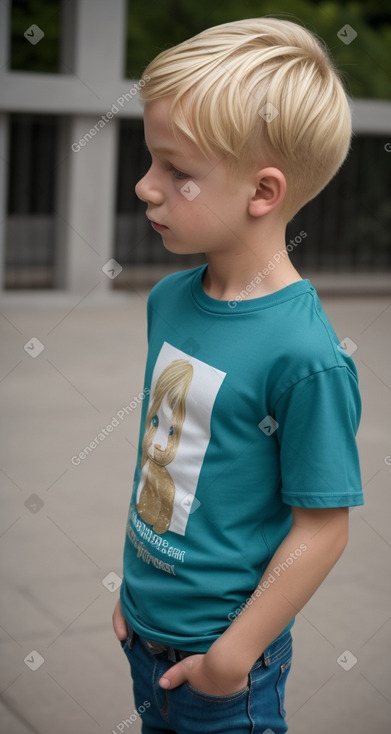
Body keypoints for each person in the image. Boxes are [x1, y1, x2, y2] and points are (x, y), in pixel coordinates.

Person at [112, 16, 364, 734]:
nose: (144, 186)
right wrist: (136, 595)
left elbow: (322, 529)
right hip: (144, 636)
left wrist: (231, 658)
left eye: (176, 172)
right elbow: (166, 462)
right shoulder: (168, 300)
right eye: (149, 159)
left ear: (263, 192)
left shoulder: (305, 357)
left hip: (226, 678)